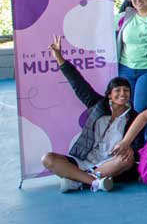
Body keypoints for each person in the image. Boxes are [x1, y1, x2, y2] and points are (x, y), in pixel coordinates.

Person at [42, 36, 136, 193]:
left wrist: (129, 150)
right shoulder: (97, 105)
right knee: (48, 159)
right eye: (117, 90)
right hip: (83, 160)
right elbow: (77, 83)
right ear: (109, 95)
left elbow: (137, 145)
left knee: (127, 160)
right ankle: (93, 182)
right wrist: (59, 57)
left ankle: (78, 181)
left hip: (109, 164)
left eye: (126, 90)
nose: (122, 94)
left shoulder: (134, 117)